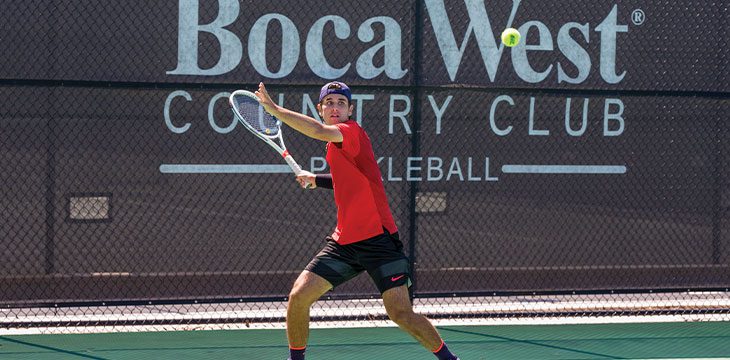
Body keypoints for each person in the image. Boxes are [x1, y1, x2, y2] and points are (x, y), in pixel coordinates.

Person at [254, 81, 460, 360]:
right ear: (321, 109)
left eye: (341, 103)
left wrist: (274, 109)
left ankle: (450, 359)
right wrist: (317, 179)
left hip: (378, 240)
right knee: (299, 297)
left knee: (400, 313)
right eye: (329, 103)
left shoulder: (351, 132)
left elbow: (316, 130)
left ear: (350, 110)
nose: (335, 107)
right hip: (344, 242)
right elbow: (351, 180)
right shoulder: (334, 145)